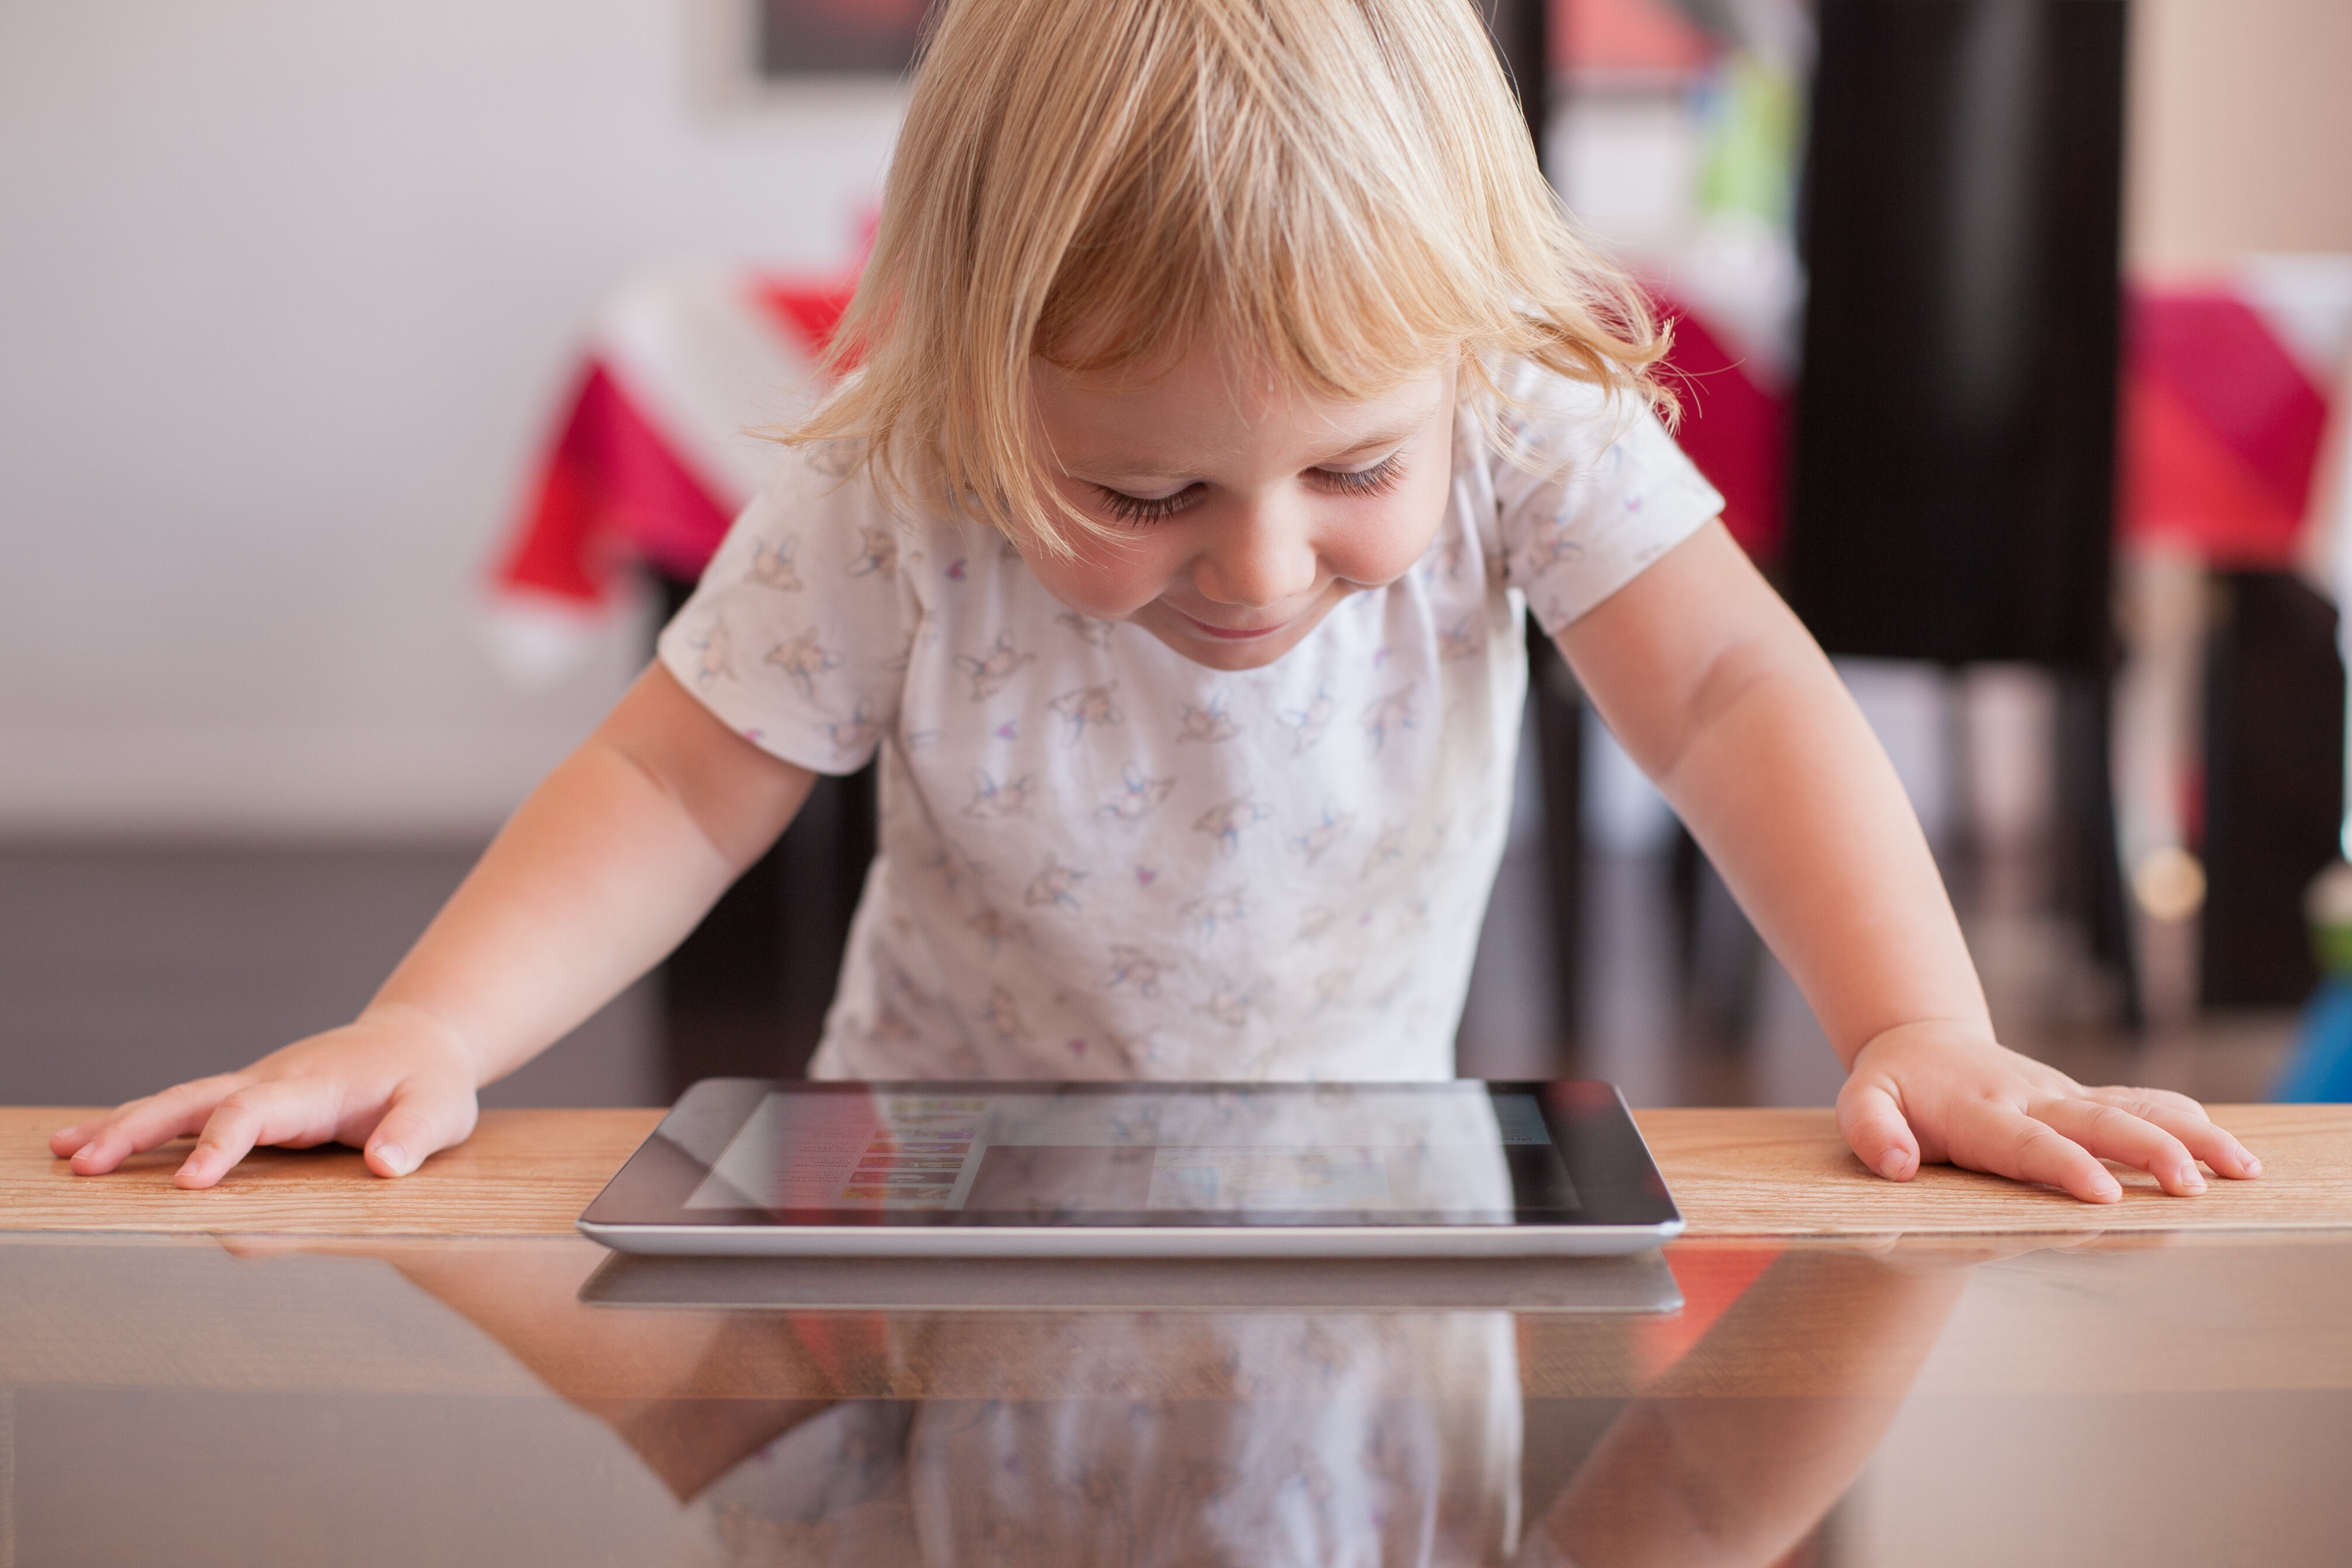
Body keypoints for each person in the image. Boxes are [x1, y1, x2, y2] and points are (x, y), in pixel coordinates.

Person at [54, 0, 2257, 1204]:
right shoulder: (897, 482)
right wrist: (430, 1029)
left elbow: (1731, 696)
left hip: (1359, 1206)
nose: (1267, 562)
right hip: (910, 1202)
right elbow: (669, 774)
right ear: (973, 368)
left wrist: (1916, 1025)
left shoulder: (1504, 417)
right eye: (1139, 486)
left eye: (1351, 469)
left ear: (1462, 363)